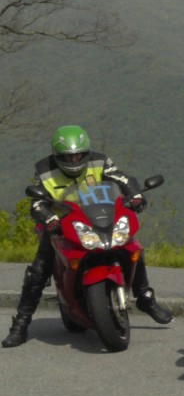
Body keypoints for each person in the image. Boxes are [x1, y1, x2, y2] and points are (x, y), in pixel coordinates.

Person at [4, 125, 173, 348]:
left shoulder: (100, 161)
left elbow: (123, 179)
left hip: (99, 216)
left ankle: (145, 298)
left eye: (78, 155)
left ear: (86, 152)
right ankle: (21, 324)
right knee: (38, 270)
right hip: (61, 223)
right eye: (68, 157)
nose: (74, 161)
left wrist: (136, 195)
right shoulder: (45, 171)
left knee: (132, 247)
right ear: (57, 156)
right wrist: (48, 218)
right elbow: (37, 203)